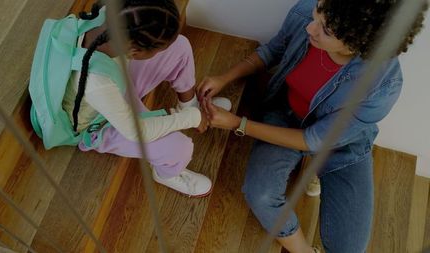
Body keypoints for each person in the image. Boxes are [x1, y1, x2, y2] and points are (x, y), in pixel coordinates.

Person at [197, 0, 427, 252]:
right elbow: (272, 50)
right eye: (317, 11)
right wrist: (225, 77)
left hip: (341, 143)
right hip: (284, 116)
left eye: (326, 30)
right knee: (260, 194)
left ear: (359, 43)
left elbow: (313, 140)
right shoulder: (312, 11)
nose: (310, 27)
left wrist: (238, 124)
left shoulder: (382, 87)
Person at [63, 0, 230, 197]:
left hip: (116, 84)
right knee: (180, 148)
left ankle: (188, 104)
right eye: (158, 49)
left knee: (180, 46)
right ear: (135, 51)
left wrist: (187, 112)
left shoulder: (116, 15)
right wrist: (193, 118)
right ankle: (167, 174)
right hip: (99, 122)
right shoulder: (96, 82)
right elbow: (138, 132)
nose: (162, 51)